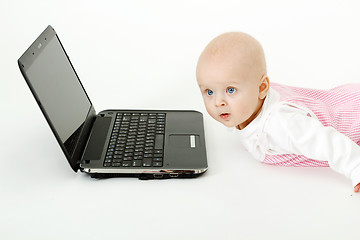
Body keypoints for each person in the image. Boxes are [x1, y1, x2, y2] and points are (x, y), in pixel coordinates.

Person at [196, 32, 360, 192]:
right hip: (343, 100)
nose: (218, 102)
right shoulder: (251, 102)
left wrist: (356, 167)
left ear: (262, 88)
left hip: (353, 121)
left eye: (230, 90)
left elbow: (327, 142)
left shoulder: (279, 124)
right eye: (209, 92)